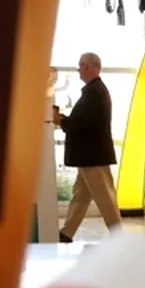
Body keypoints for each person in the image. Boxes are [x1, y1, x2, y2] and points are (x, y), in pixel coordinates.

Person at [54, 52, 121, 242]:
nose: (78, 69)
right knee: (80, 197)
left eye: (81, 65)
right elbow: (82, 121)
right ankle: (66, 233)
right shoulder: (95, 91)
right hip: (89, 156)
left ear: (90, 67)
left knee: (105, 198)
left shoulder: (94, 93)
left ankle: (119, 237)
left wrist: (61, 120)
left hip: (92, 156)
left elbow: (81, 123)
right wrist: (64, 121)